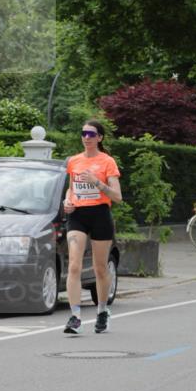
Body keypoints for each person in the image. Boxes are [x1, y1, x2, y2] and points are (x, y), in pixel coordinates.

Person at [63, 120, 122, 335]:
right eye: (84, 133)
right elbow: (71, 190)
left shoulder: (107, 162)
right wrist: (67, 201)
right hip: (77, 215)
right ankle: (75, 316)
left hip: (100, 214)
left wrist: (96, 182)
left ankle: (102, 310)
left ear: (100, 138)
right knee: (74, 266)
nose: (86, 137)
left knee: (99, 268)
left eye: (91, 134)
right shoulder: (74, 161)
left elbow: (117, 196)